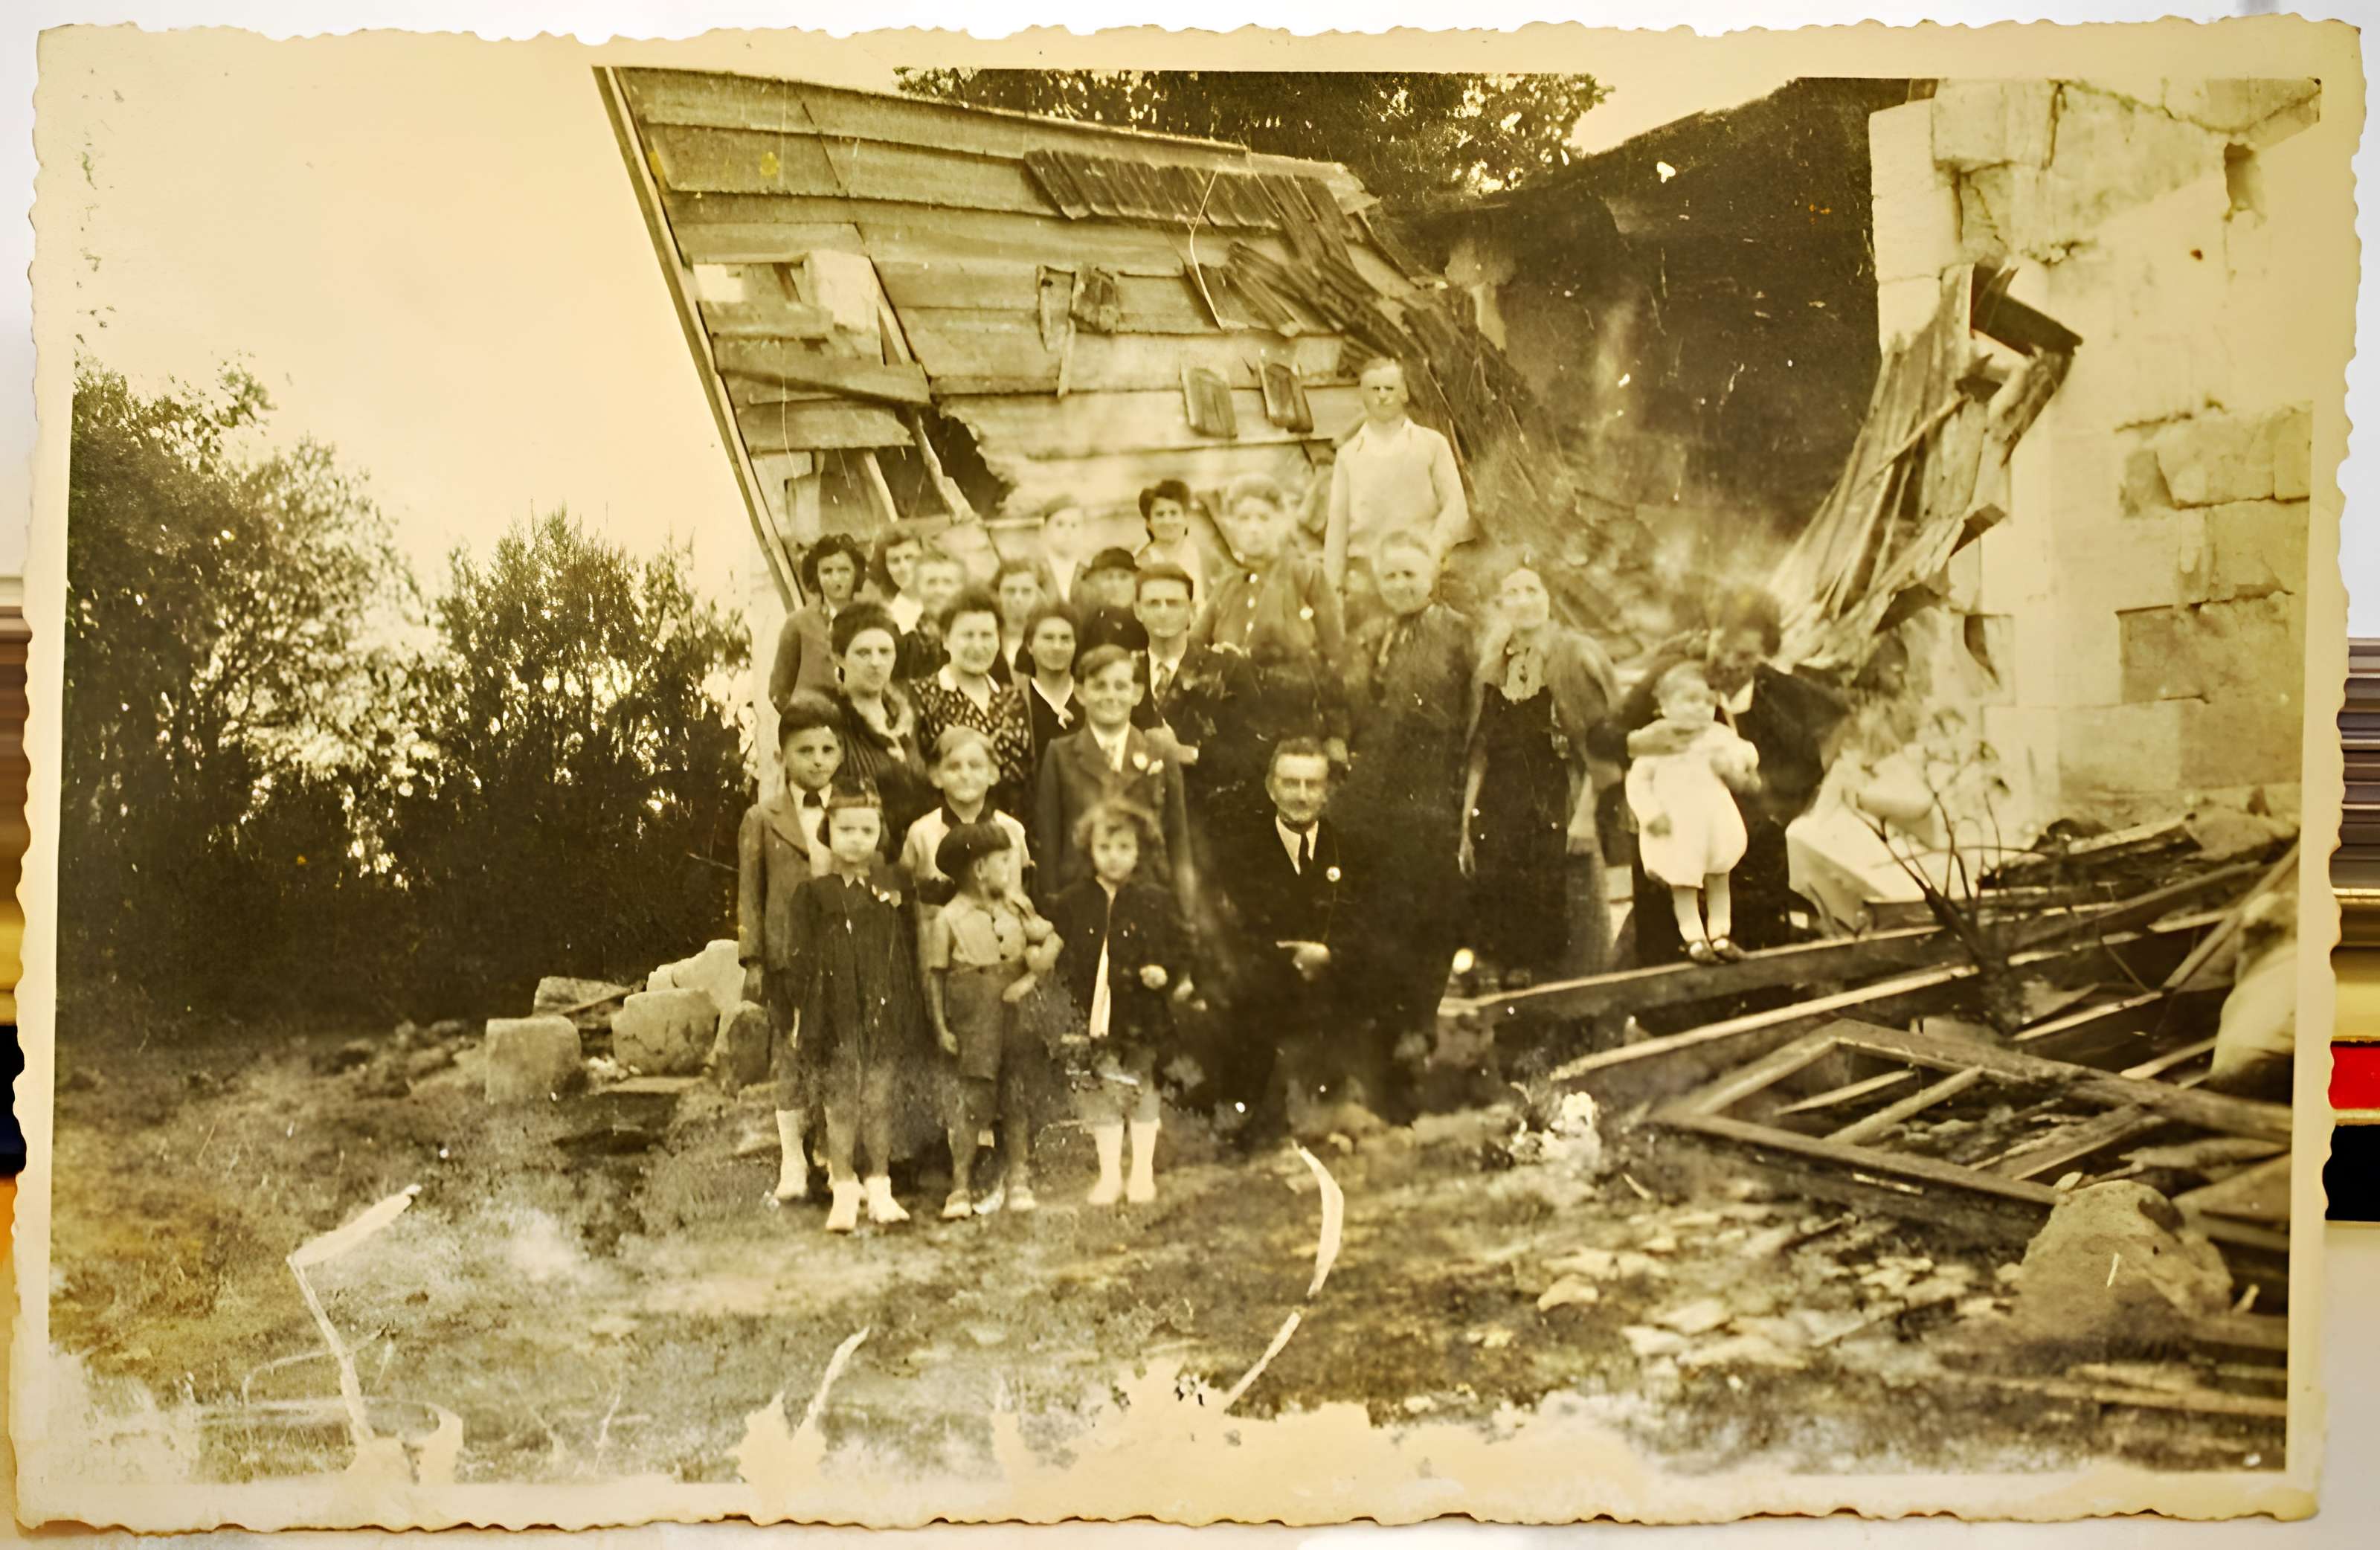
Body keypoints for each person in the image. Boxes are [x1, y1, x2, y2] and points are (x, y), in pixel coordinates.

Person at [1593, 586, 1843, 967]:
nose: (1726, 661)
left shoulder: (1779, 694)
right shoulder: (1672, 677)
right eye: (1721, 645)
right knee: (1672, 964)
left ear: (1763, 656)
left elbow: (1808, 767)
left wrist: (1762, 791)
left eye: (1743, 655)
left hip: (1748, 857)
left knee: (1751, 968)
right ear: (1710, 632)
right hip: (1674, 843)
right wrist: (1637, 742)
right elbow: (1601, 737)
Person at [1336, 530, 1477, 1106]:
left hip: (1430, 802)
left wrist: (1462, 806)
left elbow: (1474, 724)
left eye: (1409, 574)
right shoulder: (1368, 636)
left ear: (1432, 575)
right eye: (1390, 575)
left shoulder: (1461, 635)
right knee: (1375, 925)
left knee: (1425, 922)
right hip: (1370, 808)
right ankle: (1379, 1052)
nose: (1399, 585)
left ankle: (1419, 1043)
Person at [1458, 564, 1621, 988]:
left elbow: (1601, 747)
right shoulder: (1492, 664)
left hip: (1557, 802)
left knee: (1564, 914)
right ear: (1500, 603)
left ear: (1549, 597)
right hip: (1499, 805)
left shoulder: (1575, 655)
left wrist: (1584, 819)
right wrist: (1465, 824)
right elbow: (1479, 751)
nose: (1524, 601)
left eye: (1533, 590)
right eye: (1512, 592)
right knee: (1500, 910)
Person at [783, 777, 931, 1233]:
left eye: (868, 830)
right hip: (836, 1010)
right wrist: (801, 1013)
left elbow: (910, 946)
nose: (857, 839)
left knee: (879, 1099)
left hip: (883, 1006)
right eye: (846, 829)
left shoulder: (892, 887)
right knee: (841, 1101)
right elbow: (799, 960)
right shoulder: (814, 894)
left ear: (880, 834)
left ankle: (880, 1189)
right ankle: (844, 1189)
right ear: (828, 832)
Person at [1048, 800, 1194, 1206]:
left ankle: (1142, 1172)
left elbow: (1182, 947)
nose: (1114, 857)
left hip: (1140, 1008)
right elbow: (1059, 957)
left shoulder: (1156, 899)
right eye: (1105, 848)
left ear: (1139, 851)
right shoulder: (1073, 901)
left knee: (1143, 1082)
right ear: (1090, 850)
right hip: (1091, 1007)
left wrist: (1164, 972)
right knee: (1101, 1085)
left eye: (1125, 848)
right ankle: (1110, 1174)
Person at [1210, 739, 1353, 1141]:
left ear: (1327, 791)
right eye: (1291, 783)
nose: (1302, 796)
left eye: (1312, 784)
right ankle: (1251, 1114)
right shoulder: (1240, 854)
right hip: (1261, 1002)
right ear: (1271, 788)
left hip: (1331, 993)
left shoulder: (1350, 852)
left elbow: (1365, 931)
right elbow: (1231, 937)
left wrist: (1328, 954)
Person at [1189, 473, 1349, 823]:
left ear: (1281, 521)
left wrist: (1337, 734)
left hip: (1295, 732)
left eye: (1263, 518)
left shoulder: (1307, 577)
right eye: (1244, 518)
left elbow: (1335, 657)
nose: (1254, 528)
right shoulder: (1227, 586)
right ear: (1231, 526)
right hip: (1237, 735)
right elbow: (1195, 650)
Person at [922, 821, 1061, 1218]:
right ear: (980, 869)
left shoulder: (1017, 907)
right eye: (1004, 861)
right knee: (974, 1101)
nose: (1010, 868)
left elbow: (1053, 939)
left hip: (1016, 1017)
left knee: (1016, 1096)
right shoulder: (948, 919)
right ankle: (960, 1187)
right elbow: (935, 978)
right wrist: (941, 1028)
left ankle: (1019, 1177)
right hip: (974, 1017)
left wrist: (1030, 979)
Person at [738, 693, 845, 1206]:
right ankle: (792, 1159)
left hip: (842, 954)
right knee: (792, 1053)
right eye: (806, 751)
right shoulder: (762, 817)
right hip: (788, 958)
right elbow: (749, 894)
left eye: (827, 750)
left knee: (839, 1051)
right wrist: (754, 960)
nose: (818, 761)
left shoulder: (855, 811)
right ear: (784, 756)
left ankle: (831, 1151)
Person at [1035, 645, 1194, 911]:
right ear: (1080, 693)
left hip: (1148, 901)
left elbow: (1179, 843)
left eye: (1120, 687)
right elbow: (1049, 842)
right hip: (1079, 901)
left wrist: (1184, 912)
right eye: (1100, 686)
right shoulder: (1060, 754)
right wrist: (1053, 909)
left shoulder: (1159, 754)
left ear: (1137, 693)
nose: (1111, 696)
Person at [1625, 661, 1762, 965]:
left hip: (1714, 818)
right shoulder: (1656, 739)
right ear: (1665, 706)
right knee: (1683, 881)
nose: (1701, 708)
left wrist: (1732, 765)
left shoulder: (1718, 735)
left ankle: (1721, 934)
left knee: (1719, 875)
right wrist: (1650, 814)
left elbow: (1747, 753)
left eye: (1708, 702)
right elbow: (1637, 782)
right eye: (1690, 700)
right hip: (1677, 824)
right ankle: (1694, 938)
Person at [1325, 358, 1469, 626]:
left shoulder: (1432, 444)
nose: (1382, 396)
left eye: (1389, 388)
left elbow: (1456, 507)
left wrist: (1432, 553)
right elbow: (1337, 528)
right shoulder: (1348, 455)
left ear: (1404, 393)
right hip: (1367, 581)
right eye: (1374, 389)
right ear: (1363, 395)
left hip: (1422, 575)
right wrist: (1331, 591)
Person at [911, 586, 1035, 821]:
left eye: (987, 636)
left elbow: (1026, 781)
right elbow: (917, 780)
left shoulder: (1012, 699)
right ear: (946, 640)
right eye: (968, 636)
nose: (978, 646)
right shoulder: (921, 696)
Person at [829, 602, 933, 849]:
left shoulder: (912, 715)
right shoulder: (833, 724)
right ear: (839, 658)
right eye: (863, 653)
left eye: (885, 652)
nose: (876, 662)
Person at [901, 725, 1036, 913]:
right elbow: (909, 891)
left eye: (975, 766)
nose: (965, 775)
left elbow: (1018, 893)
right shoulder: (922, 833)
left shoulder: (1012, 830)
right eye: (954, 767)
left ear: (993, 774)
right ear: (936, 775)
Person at [768, 533, 866, 713]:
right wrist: (809, 720)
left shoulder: (874, 619)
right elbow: (779, 692)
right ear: (816, 575)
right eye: (827, 571)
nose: (836, 579)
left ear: (857, 573)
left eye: (844, 570)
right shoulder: (797, 625)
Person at [1017, 599, 1081, 776]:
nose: (1057, 647)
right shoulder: (1017, 700)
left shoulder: (1090, 698)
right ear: (1029, 646)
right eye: (1048, 638)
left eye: (1065, 639)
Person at [897, 546, 966, 684]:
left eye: (948, 583)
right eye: (931, 582)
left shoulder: (977, 637)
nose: (939, 590)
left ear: (961, 588)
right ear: (918, 588)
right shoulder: (905, 645)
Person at [1135, 479, 1206, 609]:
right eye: (1160, 515)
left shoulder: (1201, 554)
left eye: (1174, 513)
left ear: (1186, 518)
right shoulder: (1141, 563)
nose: (1167, 521)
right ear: (1149, 523)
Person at [1073, 547, 1150, 657]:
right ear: (1095, 584)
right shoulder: (1087, 627)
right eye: (1108, 577)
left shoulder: (1149, 623)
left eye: (1123, 577)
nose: (1115, 585)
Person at [990, 557, 1046, 687]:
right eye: (1010, 591)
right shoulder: (987, 635)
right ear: (997, 595)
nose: (1018, 598)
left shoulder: (1047, 637)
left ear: (1038, 596)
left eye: (1026, 591)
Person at [869, 529, 928, 634]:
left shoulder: (947, 599)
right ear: (886, 568)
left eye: (909, 557)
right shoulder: (890, 618)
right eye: (895, 561)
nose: (904, 567)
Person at [1038, 504, 1091, 605]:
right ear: (1043, 531)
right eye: (1060, 524)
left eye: (1074, 525)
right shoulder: (1034, 574)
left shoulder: (1090, 575)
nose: (1068, 532)